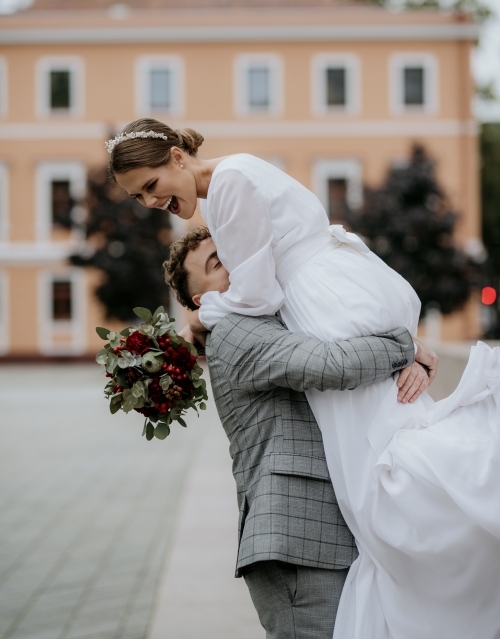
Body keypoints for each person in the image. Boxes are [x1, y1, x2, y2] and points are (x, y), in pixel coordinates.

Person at [109, 119, 500, 639]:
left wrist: (199, 318)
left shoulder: (228, 185)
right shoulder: (237, 182)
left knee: (386, 470)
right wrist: (403, 347)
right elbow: (279, 315)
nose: (150, 202)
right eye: (139, 197)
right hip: (332, 305)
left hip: (324, 301)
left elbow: (261, 296)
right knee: (391, 457)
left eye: (151, 186)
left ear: (178, 158)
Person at [163, 225, 431, 638]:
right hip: (295, 538)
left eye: (229, 250)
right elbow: (332, 364)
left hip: (316, 532)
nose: (232, 260)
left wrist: (412, 364)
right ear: (203, 300)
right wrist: (406, 348)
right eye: (216, 264)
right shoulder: (235, 331)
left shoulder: (271, 316)